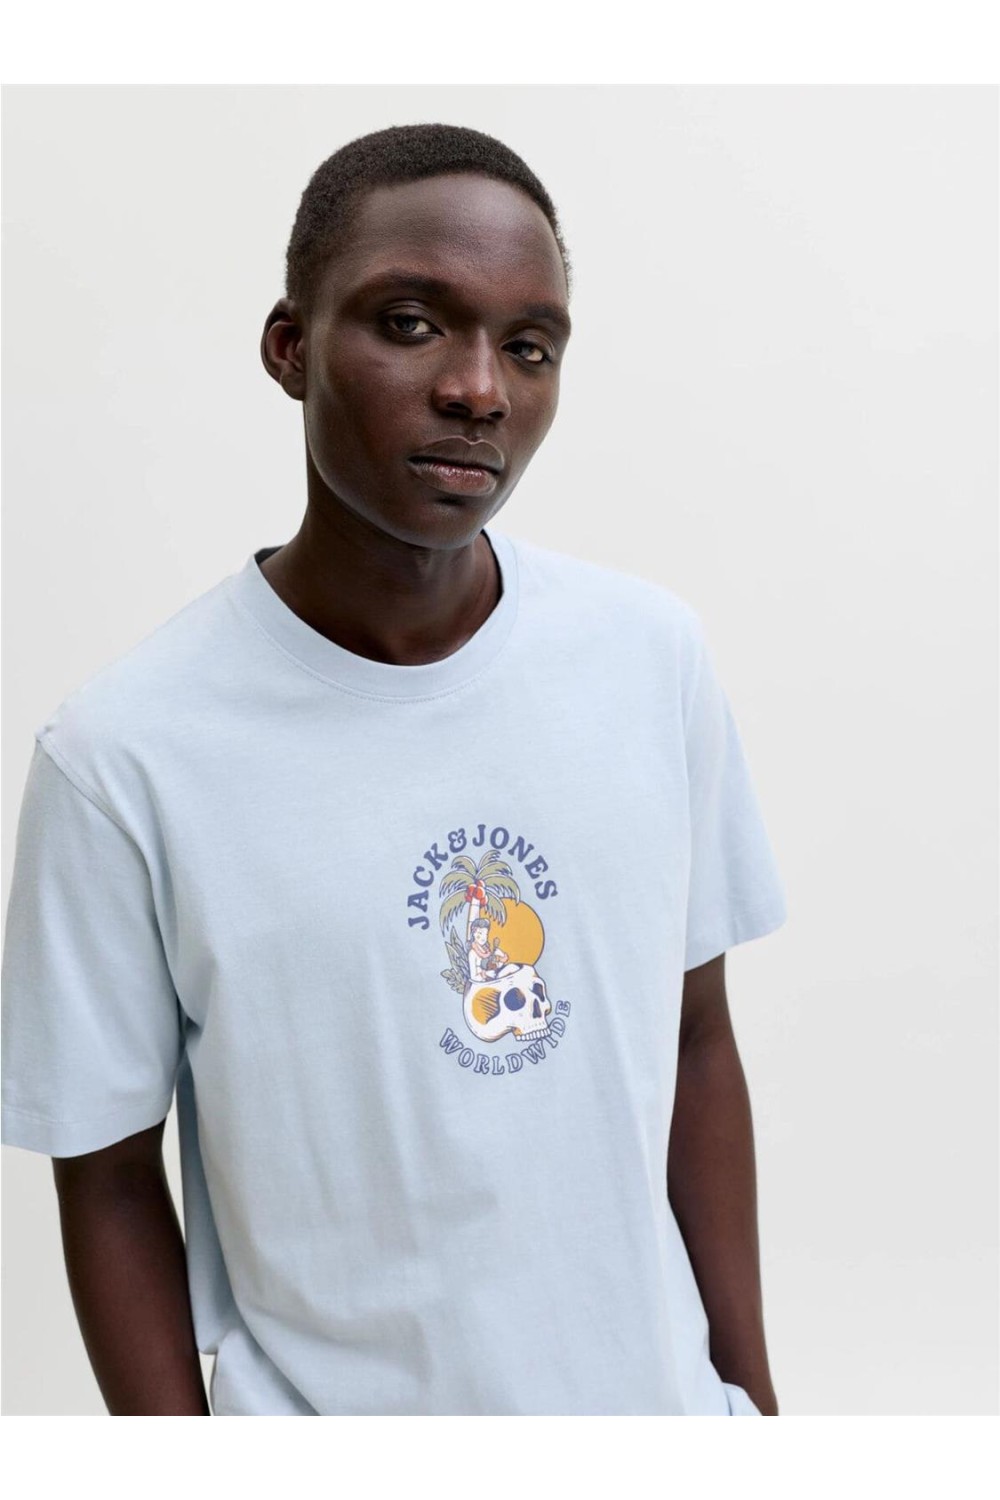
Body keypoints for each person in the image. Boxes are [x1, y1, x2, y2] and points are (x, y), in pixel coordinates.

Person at [0, 122, 788, 1417]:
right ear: (290, 347)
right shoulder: (124, 758)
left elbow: (698, 1045)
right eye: (412, 325)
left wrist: (756, 1413)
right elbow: (106, 1176)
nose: (480, 390)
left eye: (528, 347)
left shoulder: (649, 660)